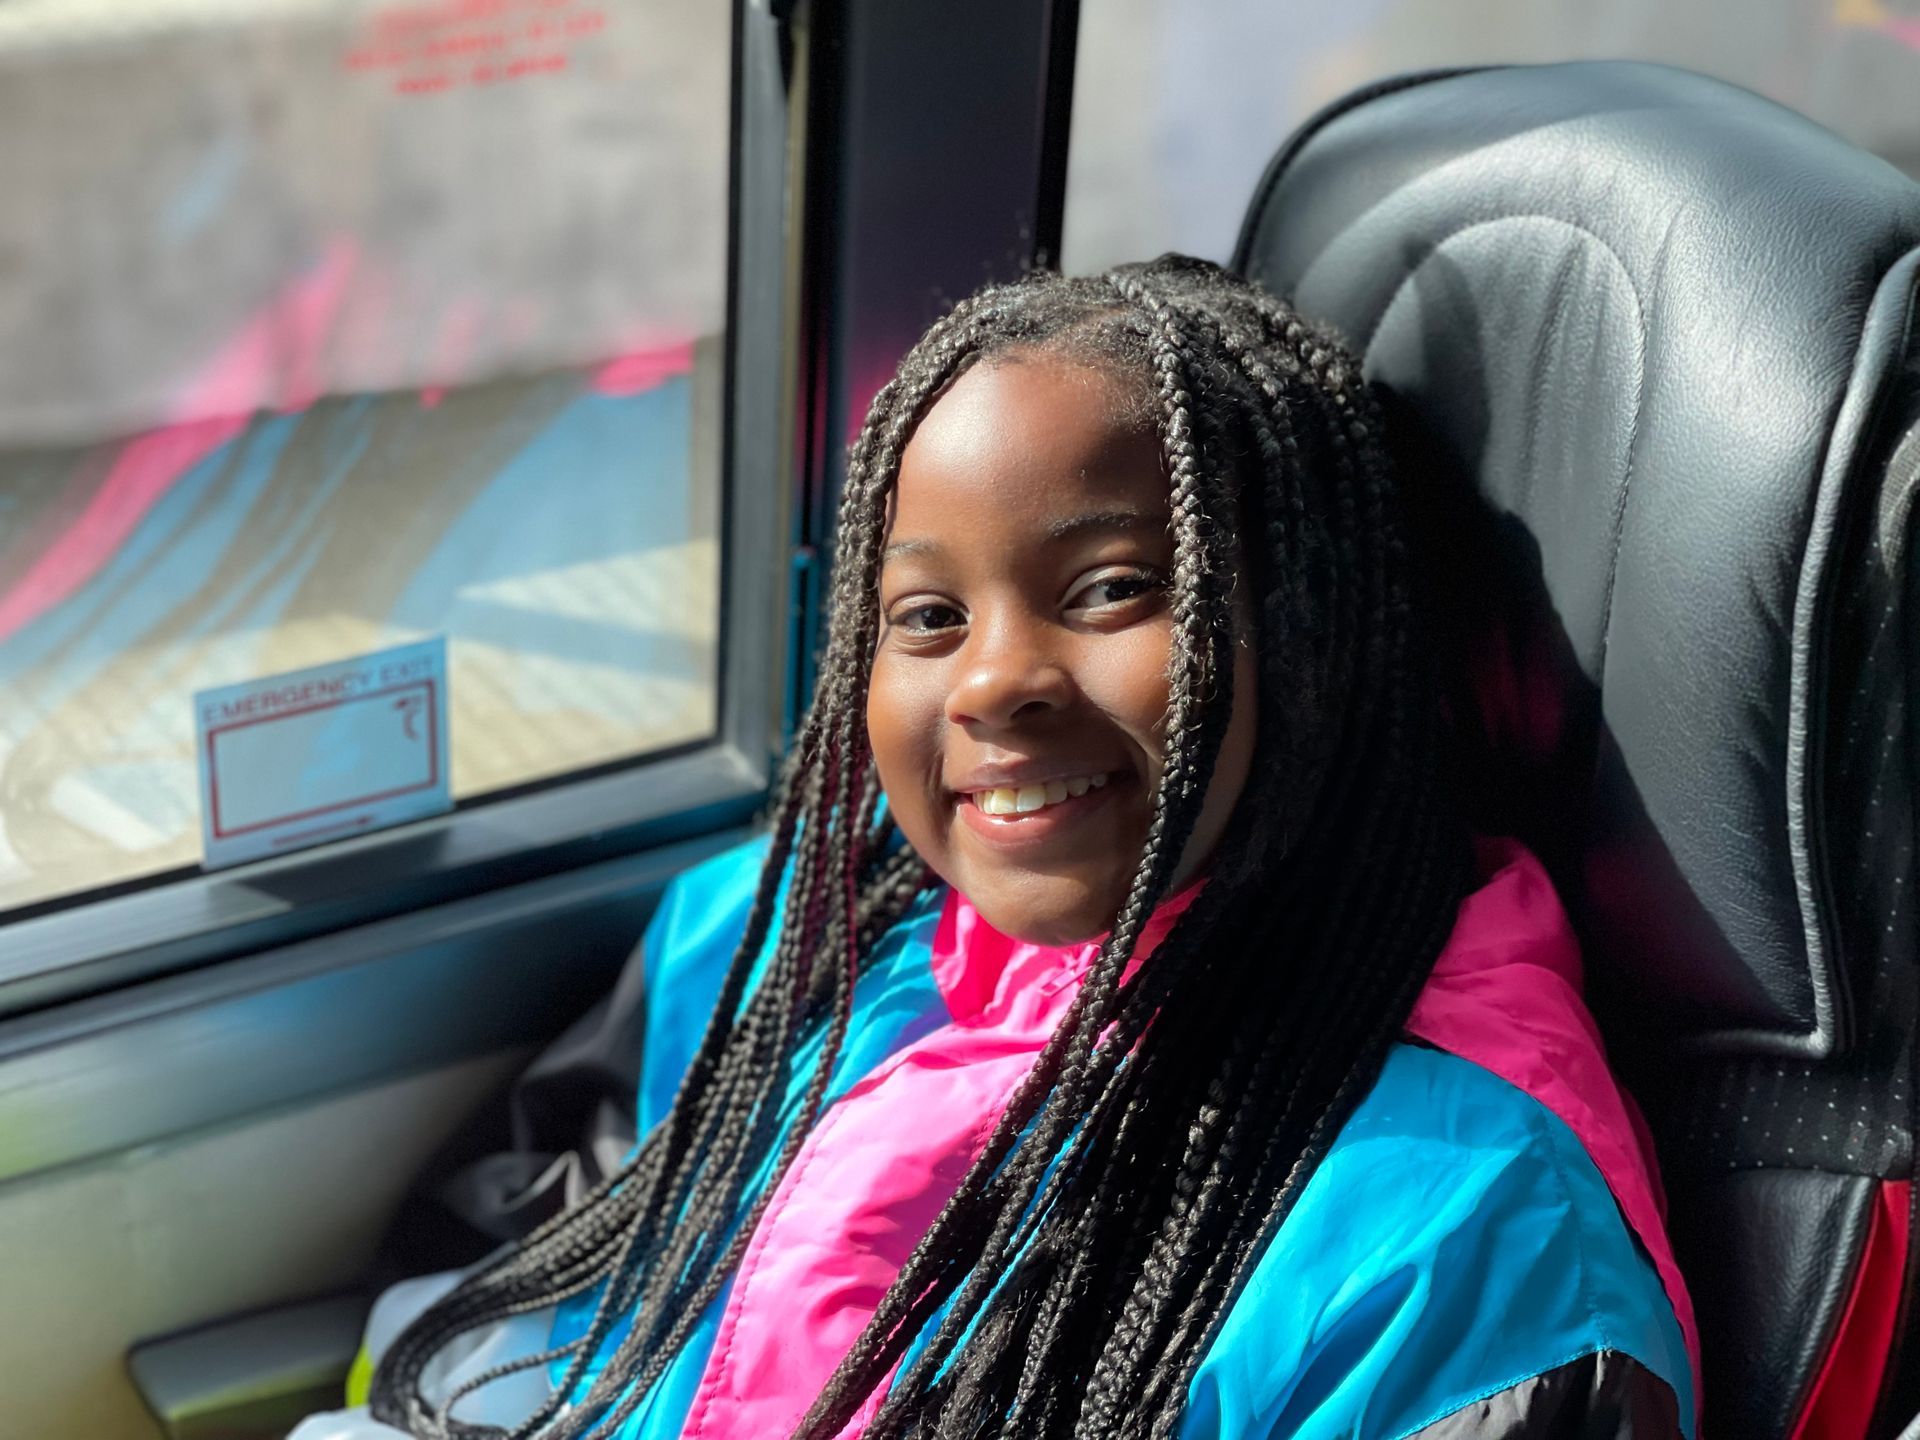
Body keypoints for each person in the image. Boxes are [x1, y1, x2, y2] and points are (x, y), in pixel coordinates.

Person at [293, 258, 1698, 1440]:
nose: (990, 684)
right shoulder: (787, 940)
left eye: (1111, 590)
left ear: (1319, 635)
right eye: (927, 618)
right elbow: (502, 1271)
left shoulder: (1465, 1242)